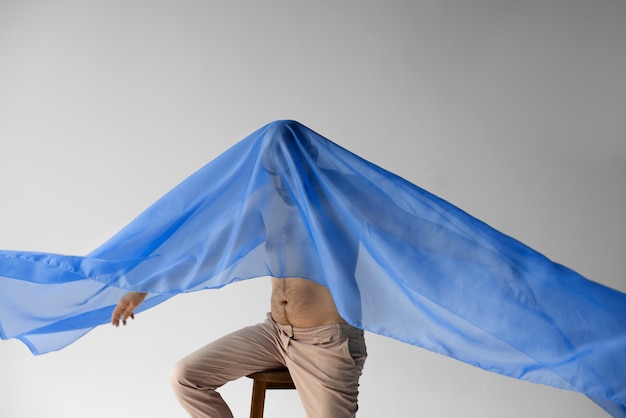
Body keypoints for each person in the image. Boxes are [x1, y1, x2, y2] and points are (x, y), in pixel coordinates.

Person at [111, 121, 367, 418]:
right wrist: (144, 287)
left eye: (287, 169)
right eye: (272, 171)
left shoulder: (343, 196)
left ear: (309, 155)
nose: (279, 179)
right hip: (275, 334)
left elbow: (406, 230)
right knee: (185, 377)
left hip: (327, 341)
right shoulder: (267, 199)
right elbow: (208, 252)